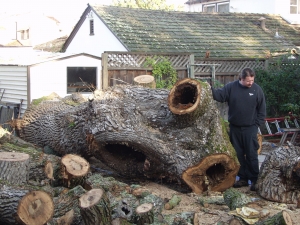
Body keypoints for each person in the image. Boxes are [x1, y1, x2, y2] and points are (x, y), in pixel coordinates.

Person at [210, 67, 266, 191]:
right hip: (235, 128)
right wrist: (208, 89)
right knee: (238, 155)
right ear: (240, 78)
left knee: (252, 155)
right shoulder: (231, 87)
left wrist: (256, 124)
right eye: (248, 81)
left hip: (250, 128)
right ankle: (243, 178)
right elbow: (220, 96)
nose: (250, 83)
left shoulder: (257, 90)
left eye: (252, 80)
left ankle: (255, 180)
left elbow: (262, 110)